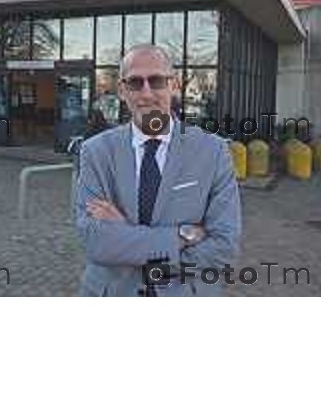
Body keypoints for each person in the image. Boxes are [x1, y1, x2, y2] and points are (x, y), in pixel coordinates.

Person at [74, 44, 241, 297]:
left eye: (156, 81)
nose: (146, 93)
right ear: (121, 90)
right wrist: (181, 236)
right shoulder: (95, 152)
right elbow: (96, 242)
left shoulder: (213, 152)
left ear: (174, 85)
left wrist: (127, 237)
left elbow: (223, 248)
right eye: (135, 83)